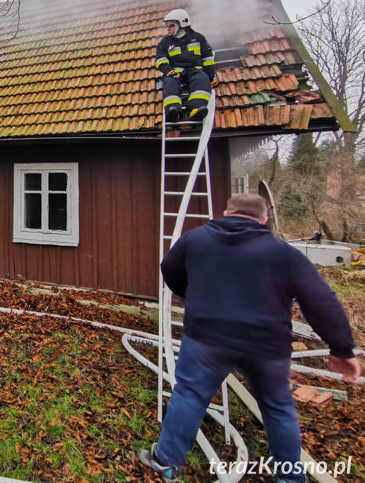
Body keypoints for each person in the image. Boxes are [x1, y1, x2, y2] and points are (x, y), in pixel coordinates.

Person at [139, 194, 361, 483]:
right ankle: (291, 478)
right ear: (264, 219)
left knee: (189, 394)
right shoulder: (282, 252)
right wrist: (342, 348)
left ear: (226, 212)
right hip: (266, 345)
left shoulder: (196, 240)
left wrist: (187, 292)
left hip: (207, 337)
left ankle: (166, 462)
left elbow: (169, 268)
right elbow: (321, 299)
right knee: (278, 408)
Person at [155, 8, 218, 123]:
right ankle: (173, 110)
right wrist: (168, 70)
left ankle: (196, 110)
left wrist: (210, 77)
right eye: (167, 26)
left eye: (171, 25)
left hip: (195, 70)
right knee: (170, 82)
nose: (167, 28)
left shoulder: (199, 38)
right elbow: (160, 59)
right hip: (175, 71)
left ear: (181, 24)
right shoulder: (165, 42)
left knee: (202, 80)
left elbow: (207, 59)